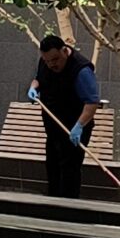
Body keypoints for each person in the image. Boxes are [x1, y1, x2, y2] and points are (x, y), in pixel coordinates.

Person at [28, 33, 100, 198]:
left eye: (55, 60)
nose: (51, 64)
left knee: (69, 170)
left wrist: (79, 126)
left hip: (74, 128)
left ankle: (69, 210)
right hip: (53, 127)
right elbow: (38, 79)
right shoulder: (45, 61)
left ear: (64, 51)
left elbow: (92, 103)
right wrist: (34, 87)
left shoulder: (81, 70)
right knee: (53, 167)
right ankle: (53, 207)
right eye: (47, 61)